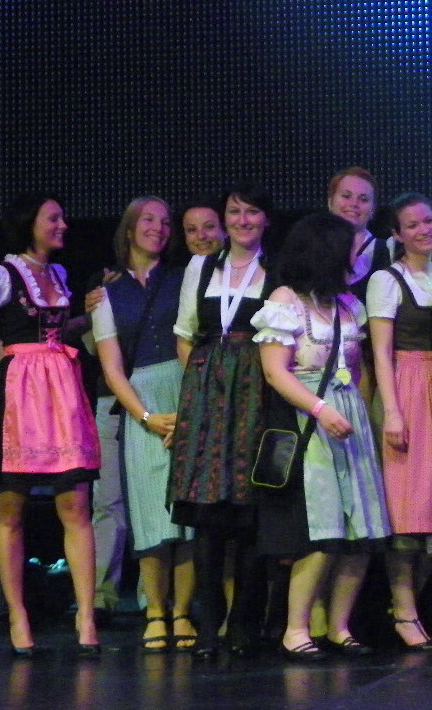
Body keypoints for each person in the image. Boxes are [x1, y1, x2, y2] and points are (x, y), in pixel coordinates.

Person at [254, 211, 391, 661]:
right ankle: (296, 629)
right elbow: (275, 372)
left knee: (360, 530)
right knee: (321, 528)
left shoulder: (348, 304)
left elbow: (360, 367)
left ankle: (339, 625)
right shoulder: (285, 301)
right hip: (309, 418)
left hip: (350, 418)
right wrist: (320, 409)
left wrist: (362, 415)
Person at [0, 194, 102, 656]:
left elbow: (57, 333)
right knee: (10, 509)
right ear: (29, 223)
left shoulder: (60, 274)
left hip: (62, 394)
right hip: (16, 396)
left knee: (76, 505)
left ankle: (86, 617)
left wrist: (87, 314)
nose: (63, 225)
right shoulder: (0, 276)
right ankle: (18, 616)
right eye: (53, 218)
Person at [169, 184, 276, 658]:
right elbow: (185, 335)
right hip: (209, 404)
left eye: (252, 212)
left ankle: (245, 626)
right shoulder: (201, 267)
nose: (242, 220)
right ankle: (209, 628)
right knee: (209, 519)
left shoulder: (276, 270)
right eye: (234, 211)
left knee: (250, 516)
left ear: (265, 219)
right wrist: (203, 387)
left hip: (255, 396)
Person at [92, 196, 197, 652]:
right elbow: (112, 369)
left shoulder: (184, 278)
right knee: (150, 513)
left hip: (185, 390)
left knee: (188, 515)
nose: (158, 227)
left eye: (165, 221)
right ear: (130, 228)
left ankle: (183, 611)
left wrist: (191, 409)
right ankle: (155, 611)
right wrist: (148, 417)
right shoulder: (106, 292)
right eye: (148, 219)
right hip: (140, 401)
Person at [366, 193, 432, 650]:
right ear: (396, 233)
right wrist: (392, 410)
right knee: (406, 505)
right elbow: (380, 351)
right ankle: (403, 609)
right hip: (406, 385)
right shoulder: (387, 279)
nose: (423, 230)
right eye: (411, 225)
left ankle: (409, 604)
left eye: (427, 221)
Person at [328, 167, 391, 307]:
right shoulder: (310, 248)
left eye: (363, 199)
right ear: (330, 202)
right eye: (346, 196)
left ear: (373, 209)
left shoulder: (389, 251)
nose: (354, 204)